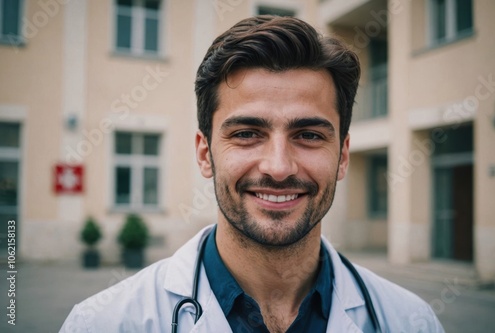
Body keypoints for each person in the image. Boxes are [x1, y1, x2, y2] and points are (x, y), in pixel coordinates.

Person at [60, 16, 444, 333]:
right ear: (205, 152)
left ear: (342, 156)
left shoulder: (410, 321)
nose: (278, 167)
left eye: (308, 135)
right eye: (246, 134)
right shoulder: (102, 323)